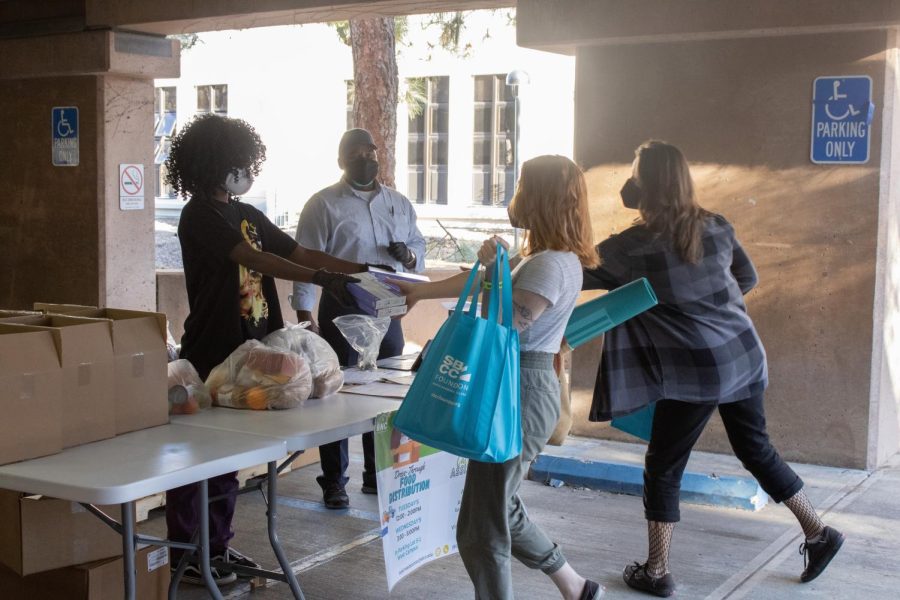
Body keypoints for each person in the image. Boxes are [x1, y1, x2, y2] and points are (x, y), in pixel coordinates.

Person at [583, 140, 845, 598]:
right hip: (742, 354)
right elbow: (747, 278)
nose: (628, 182)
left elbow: (575, 272)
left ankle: (658, 570)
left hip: (694, 373)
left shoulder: (631, 248)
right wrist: (706, 309)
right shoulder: (716, 226)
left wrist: (676, 316)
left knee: (664, 466)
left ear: (647, 185)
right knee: (757, 450)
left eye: (634, 174)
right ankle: (818, 531)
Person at [165, 114, 366, 586]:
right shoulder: (199, 215)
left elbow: (299, 253)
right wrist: (320, 280)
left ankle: (215, 547)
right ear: (215, 164)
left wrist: (358, 269)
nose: (244, 170)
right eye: (237, 162)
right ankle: (184, 551)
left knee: (228, 462)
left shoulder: (248, 214)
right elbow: (255, 260)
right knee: (202, 457)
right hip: (214, 351)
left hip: (255, 354)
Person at [394, 155, 602, 600]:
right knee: (490, 513)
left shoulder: (551, 264)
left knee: (483, 526)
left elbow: (502, 323)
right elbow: (483, 285)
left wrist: (491, 271)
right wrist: (419, 291)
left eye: (523, 184)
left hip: (519, 391)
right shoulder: (539, 256)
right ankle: (577, 587)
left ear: (541, 197)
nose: (515, 194)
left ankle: (571, 586)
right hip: (516, 386)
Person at [292, 128, 426, 509]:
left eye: (371, 151)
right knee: (335, 395)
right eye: (357, 153)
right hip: (342, 309)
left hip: (387, 309)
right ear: (341, 161)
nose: (367, 158)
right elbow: (304, 260)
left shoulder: (398, 203)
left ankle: (376, 475)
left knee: (384, 393)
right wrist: (305, 313)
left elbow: (418, 244)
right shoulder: (323, 204)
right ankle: (334, 481)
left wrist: (410, 255)